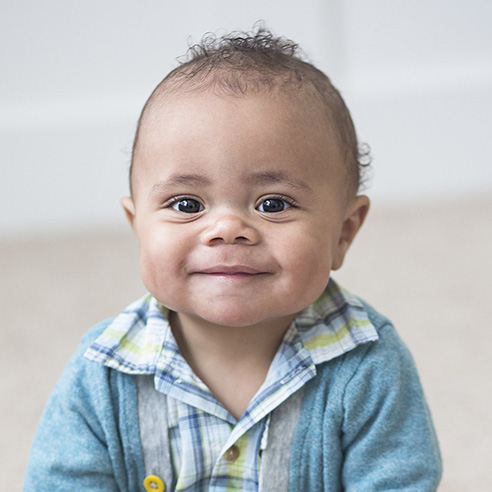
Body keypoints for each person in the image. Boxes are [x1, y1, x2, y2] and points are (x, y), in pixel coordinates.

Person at [24, 27, 442, 491]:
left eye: (273, 203)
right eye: (187, 204)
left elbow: (399, 480)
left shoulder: (367, 363)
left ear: (344, 232)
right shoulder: (103, 369)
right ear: (137, 225)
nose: (227, 229)